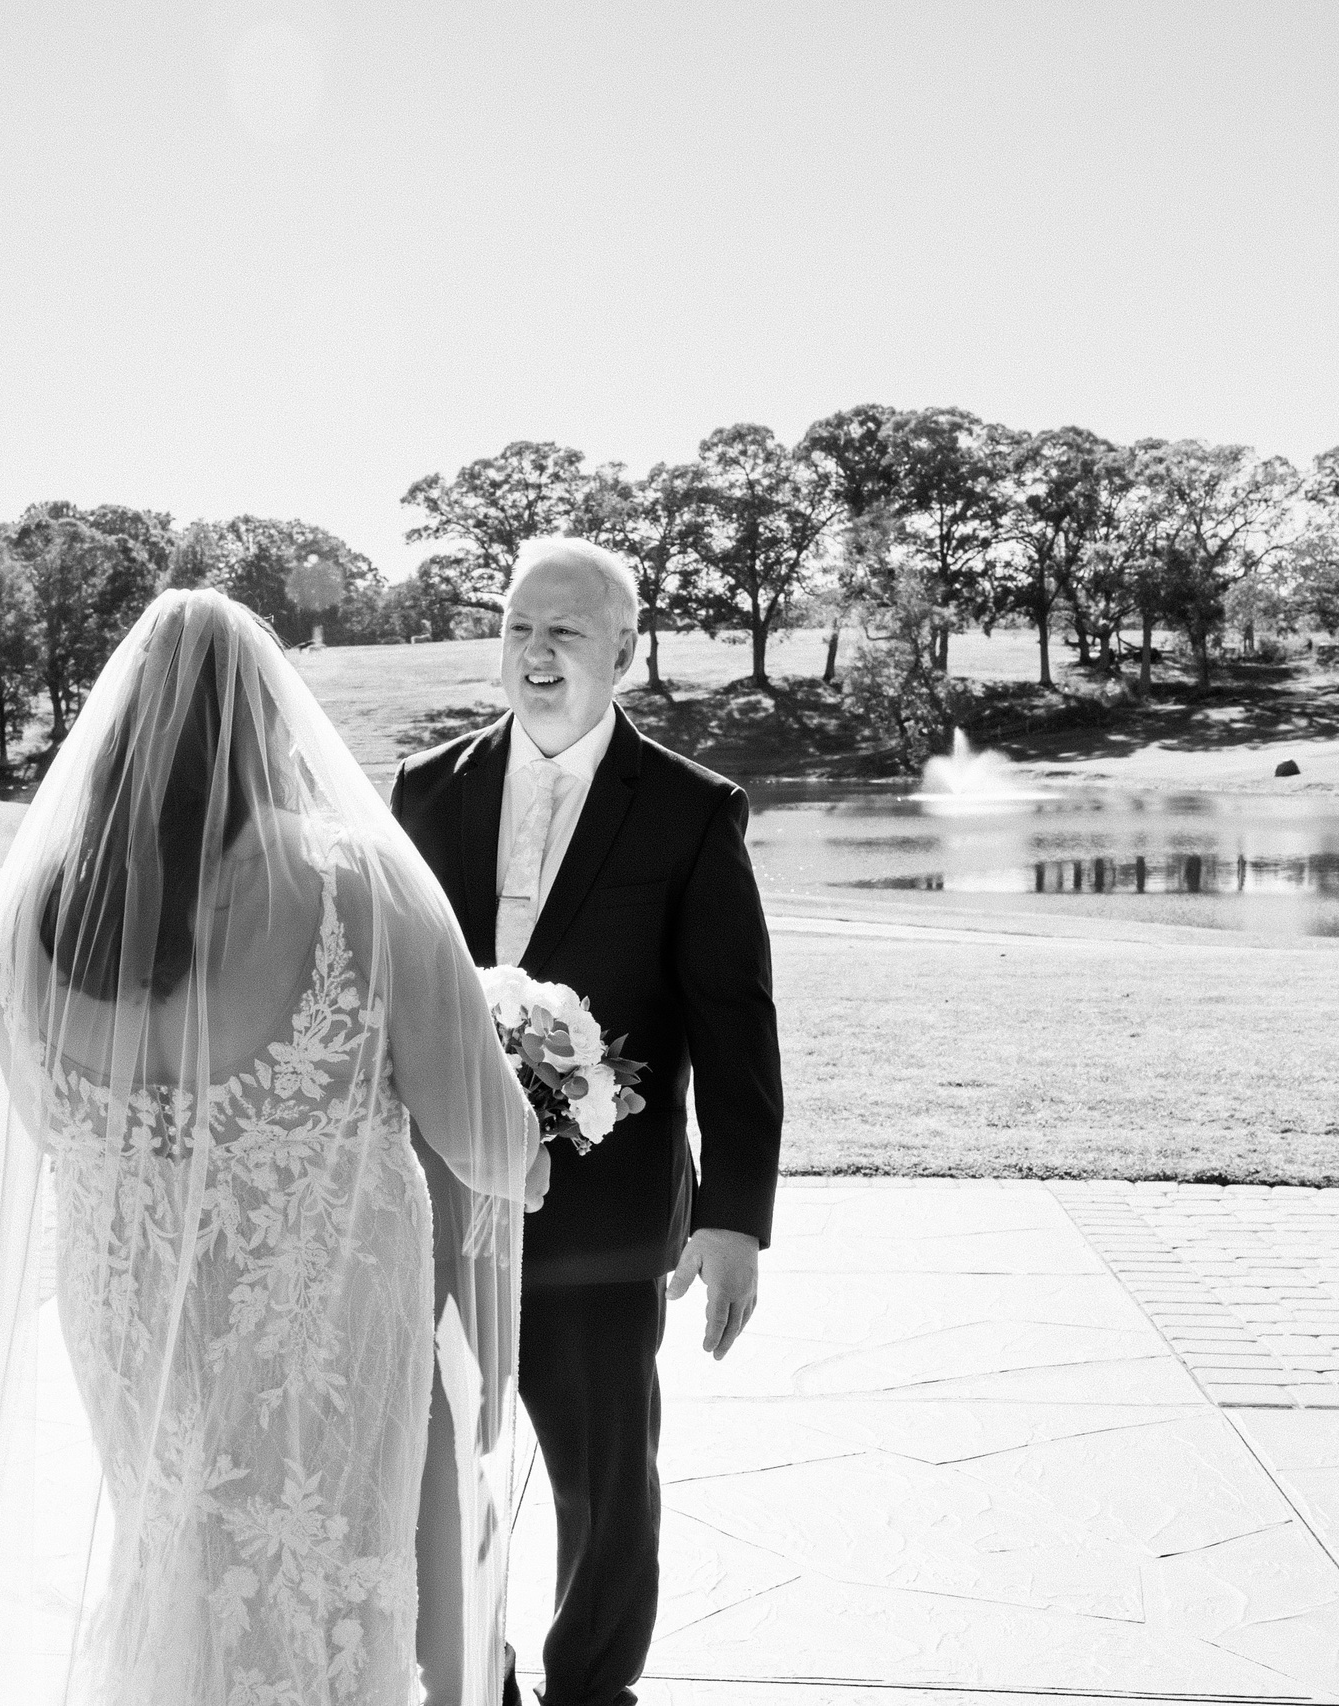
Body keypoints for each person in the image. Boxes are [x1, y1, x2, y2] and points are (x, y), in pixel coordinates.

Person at [0, 590, 545, 1706]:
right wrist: (540, 1110)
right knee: (316, 1575)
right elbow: (493, 1141)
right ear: (273, 724)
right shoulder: (355, 882)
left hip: (127, 1307)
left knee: (167, 1549)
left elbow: (49, 1127)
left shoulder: (43, 907)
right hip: (313, 1317)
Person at [391, 538, 784, 1706]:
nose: (537, 653)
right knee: (433, 1470)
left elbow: (734, 1022)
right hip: (440, 1203)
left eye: (565, 631)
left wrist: (734, 1219)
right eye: (519, 628)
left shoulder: (689, 810)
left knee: (605, 1482)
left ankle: (589, 1688)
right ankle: (479, 1673)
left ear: (622, 647)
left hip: (607, 1220)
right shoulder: (427, 787)